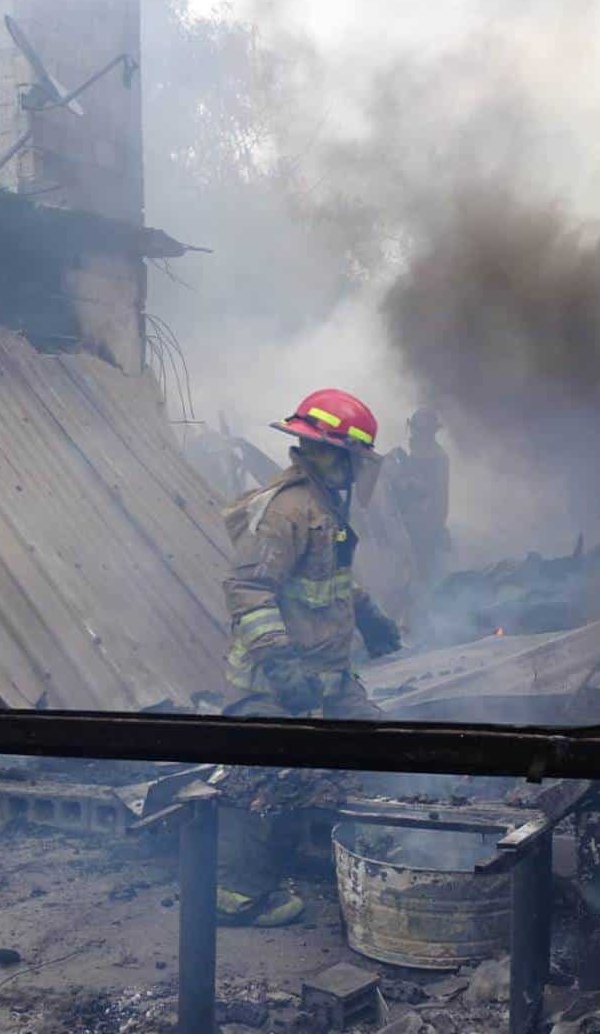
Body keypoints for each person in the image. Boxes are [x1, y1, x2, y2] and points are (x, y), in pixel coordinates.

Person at [217, 388, 402, 927]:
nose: (356, 471)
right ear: (329, 453)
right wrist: (281, 667)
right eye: (353, 458)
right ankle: (238, 898)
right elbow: (248, 590)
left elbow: (327, 581)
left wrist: (369, 616)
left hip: (327, 678)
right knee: (263, 784)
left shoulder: (323, 508)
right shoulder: (288, 510)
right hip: (272, 684)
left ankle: (386, 850)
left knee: (388, 749)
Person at [388, 407, 451, 586]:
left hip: (422, 529)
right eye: (413, 430)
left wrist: (403, 481)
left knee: (419, 577)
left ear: (428, 433)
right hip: (412, 523)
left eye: (417, 431)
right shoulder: (419, 453)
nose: (412, 435)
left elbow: (432, 498)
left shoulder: (436, 458)